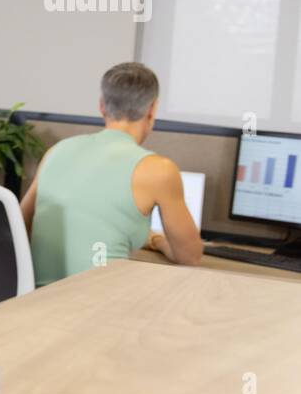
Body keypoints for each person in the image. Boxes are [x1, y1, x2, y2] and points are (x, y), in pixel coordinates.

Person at [21, 61, 203, 285]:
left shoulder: (56, 151)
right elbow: (190, 256)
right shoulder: (159, 169)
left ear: (102, 106)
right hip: (99, 306)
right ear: (152, 109)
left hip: (35, 303)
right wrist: (158, 241)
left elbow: (20, 223)